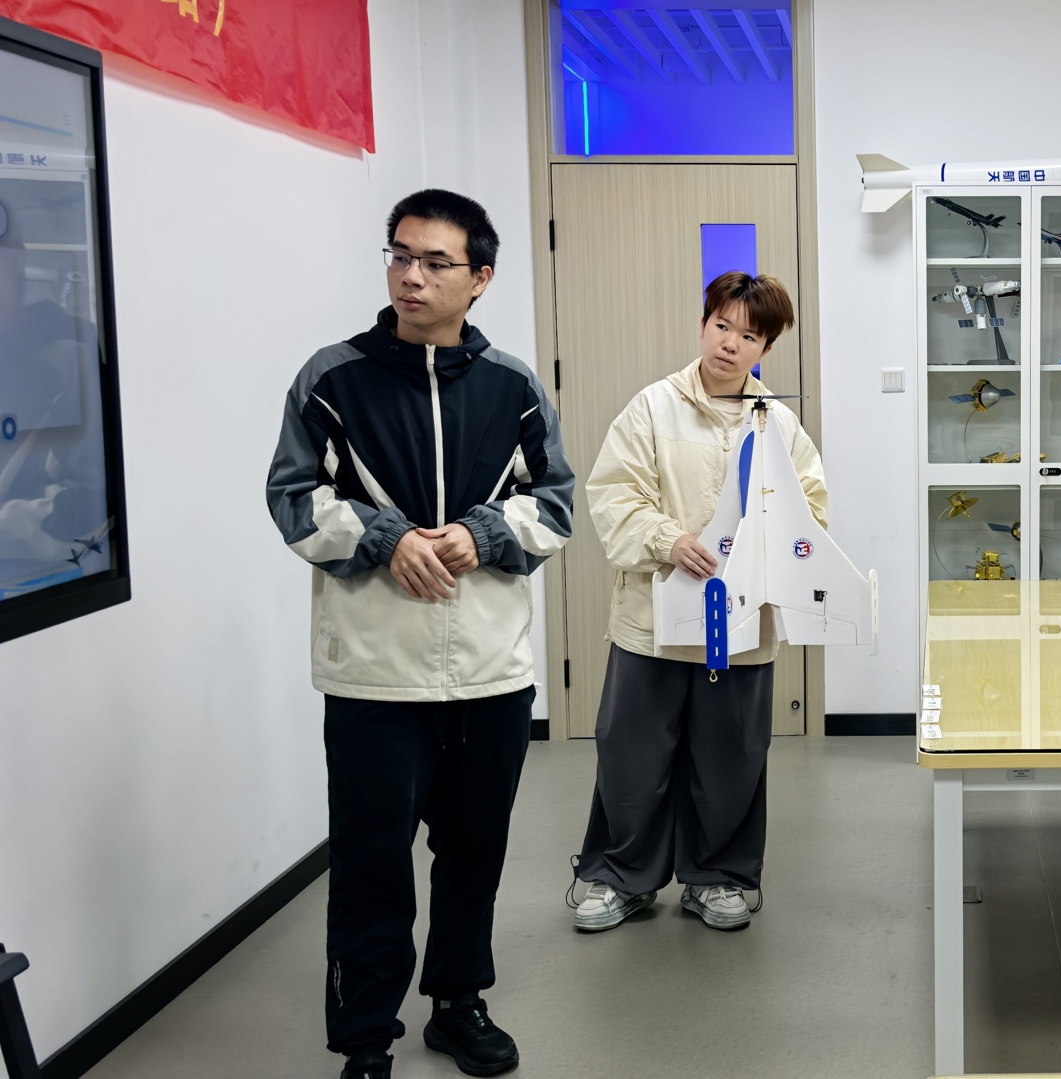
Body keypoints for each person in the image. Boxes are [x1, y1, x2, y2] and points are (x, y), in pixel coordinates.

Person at [266, 189, 573, 1079]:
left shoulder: (514, 386)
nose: (412, 275)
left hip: (490, 671)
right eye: (400, 255)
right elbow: (292, 497)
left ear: (481, 278)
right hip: (374, 672)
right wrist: (383, 536)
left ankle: (457, 1002)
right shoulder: (333, 378)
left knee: (473, 855)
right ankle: (365, 1039)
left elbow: (555, 503)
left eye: (437, 262)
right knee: (371, 864)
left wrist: (483, 533)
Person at [569, 271, 826, 934]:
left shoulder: (780, 426)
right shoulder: (651, 409)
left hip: (740, 626)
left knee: (730, 757)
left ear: (766, 347)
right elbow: (613, 494)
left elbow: (811, 512)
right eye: (722, 326)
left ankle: (718, 878)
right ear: (704, 323)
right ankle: (620, 878)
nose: (730, 344)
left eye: (750, 336)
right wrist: (668, 539)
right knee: (631, 756)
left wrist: (772, 549)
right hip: (652, 620)